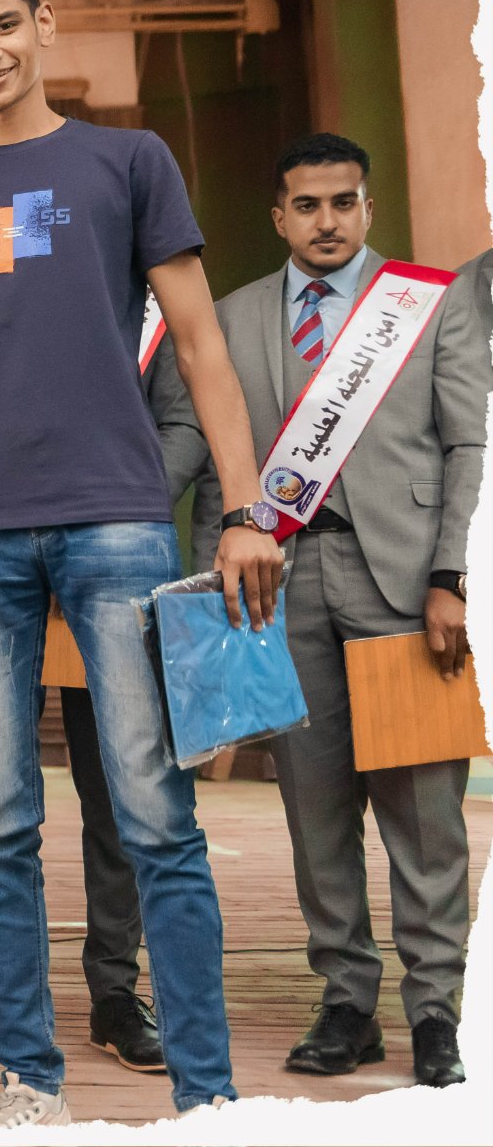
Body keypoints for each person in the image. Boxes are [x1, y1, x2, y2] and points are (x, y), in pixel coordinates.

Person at [0, 0, 280, 1126]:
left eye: (3, 25)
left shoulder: (128, 159)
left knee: (156, 813)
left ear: (42, 24)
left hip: (115, 518)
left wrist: (246, 508)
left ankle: (206, 1094)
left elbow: (199, 346)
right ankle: (28, 1082)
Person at [200, 133, 478, 1089]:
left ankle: (436, 1007)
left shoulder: (428, 305)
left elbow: (469, 446)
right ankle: (347, 1000)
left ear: (368, 209)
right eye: (308, 205)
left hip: (404, 580)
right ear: (279, 216)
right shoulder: (232, 317)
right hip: (280, 584)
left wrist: (455, 574)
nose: (328, 221)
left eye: (344, 202)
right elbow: (218, 465)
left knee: (425, 809)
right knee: (313, 807)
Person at [0, 333, 198, 1075]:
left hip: (109, 557)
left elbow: (184, 424)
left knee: (120, 783)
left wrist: (107, 514)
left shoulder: (149, 306)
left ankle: (115, 991)